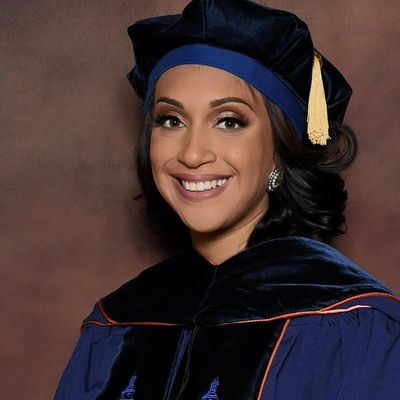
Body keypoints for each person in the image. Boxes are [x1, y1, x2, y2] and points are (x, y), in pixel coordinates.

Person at [54, 0, 400, 399]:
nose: (192, 154)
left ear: (280, 149)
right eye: (171, 120)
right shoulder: (115, 321)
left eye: (229, 122)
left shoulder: (354, 322)